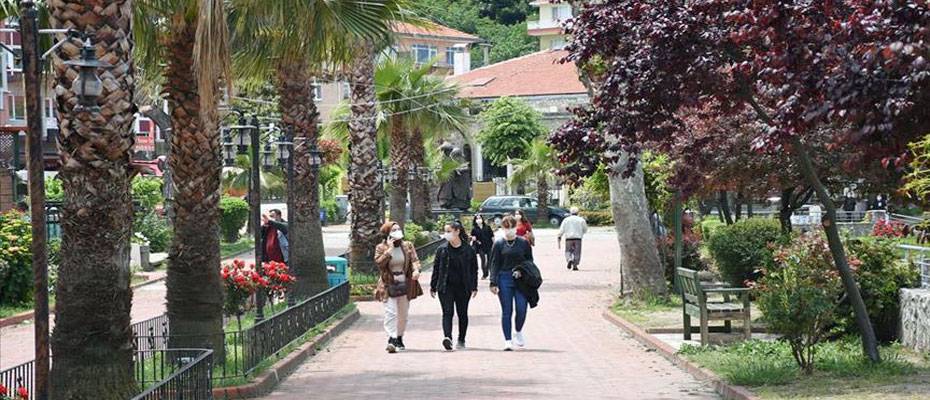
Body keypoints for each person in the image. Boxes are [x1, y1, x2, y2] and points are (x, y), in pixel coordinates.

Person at [375, 221, 423, 353]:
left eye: (398, 229)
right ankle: (392, 338)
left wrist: (416, 270)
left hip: (404, 283)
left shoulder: (407, 246)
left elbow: (415, 260)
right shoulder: (381, 247)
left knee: (403, 313)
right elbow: (379, 263)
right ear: (387, 234)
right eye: (393, 230)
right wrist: (389, 251)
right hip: (388, 284)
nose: (397, 231)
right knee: (391, 312)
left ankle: (400, 338)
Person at [431, 221, 478, 351]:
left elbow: (474, 269)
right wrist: (433, 286)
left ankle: (461, 339)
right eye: (445, 231)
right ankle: (448, 338)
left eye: (448, 231)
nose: (446, 234)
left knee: (462, 313)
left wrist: (474, 286)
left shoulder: (468, 250)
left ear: (457, 231)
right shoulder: (442, 249)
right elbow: (436, 269)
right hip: (446, 286)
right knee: (447, 312)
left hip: (463, 286)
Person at [490, 215, 534, 351]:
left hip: (521, 279)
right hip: (504, 277)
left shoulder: (523, 243)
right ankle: (507, 340)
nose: (509, 230)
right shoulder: (498, 244)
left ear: (516, 227)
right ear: (502, 228)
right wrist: (493, 282)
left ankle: (518, 330)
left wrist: (524, 272)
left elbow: (530, 261)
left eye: (512, 227)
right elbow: (494, 264)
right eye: (506, 227)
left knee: (521, 308)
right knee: (507, 310)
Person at [470, 214, 494, 279]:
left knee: (489, 260)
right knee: (483, 259)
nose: (478, 220)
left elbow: (492, 236)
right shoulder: (474, 229)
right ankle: (484, 274)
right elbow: (473, 237)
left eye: (479, 218)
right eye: (477, 218)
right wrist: (474, 238)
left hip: (489, 245)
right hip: (480, 246)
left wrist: (494, 244)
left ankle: (487, 271)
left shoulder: (487, 227)